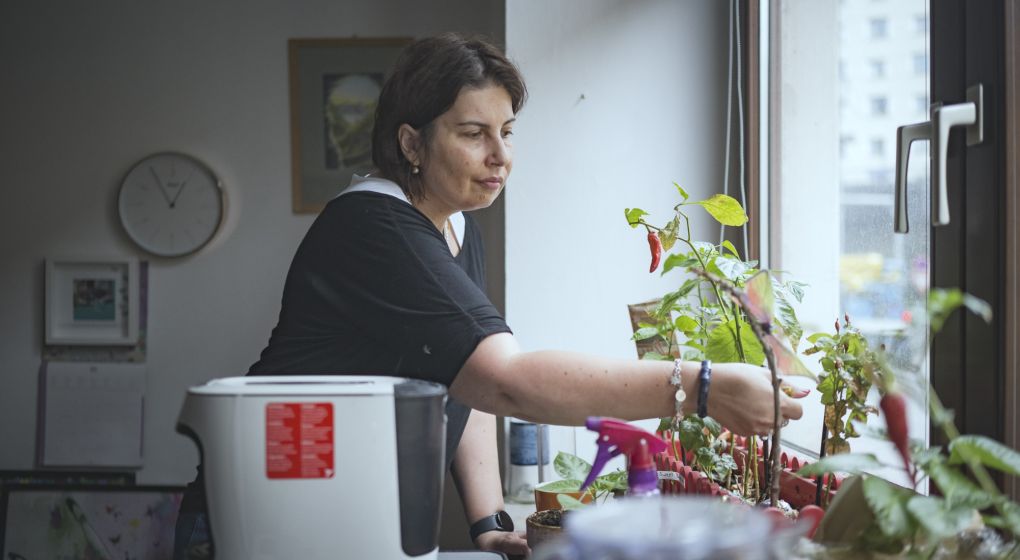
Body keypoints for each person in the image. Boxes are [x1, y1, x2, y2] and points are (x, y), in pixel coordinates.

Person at [174, 32, 804, 559]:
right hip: (264, 518)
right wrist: (702, 387)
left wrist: (490, 521)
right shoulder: (374, 227)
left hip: (341, 516)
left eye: (507, 131)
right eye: (474, 133)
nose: (500, 155)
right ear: (412, 143)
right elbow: (506, 381)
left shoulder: (454, 228)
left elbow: (465, 382)